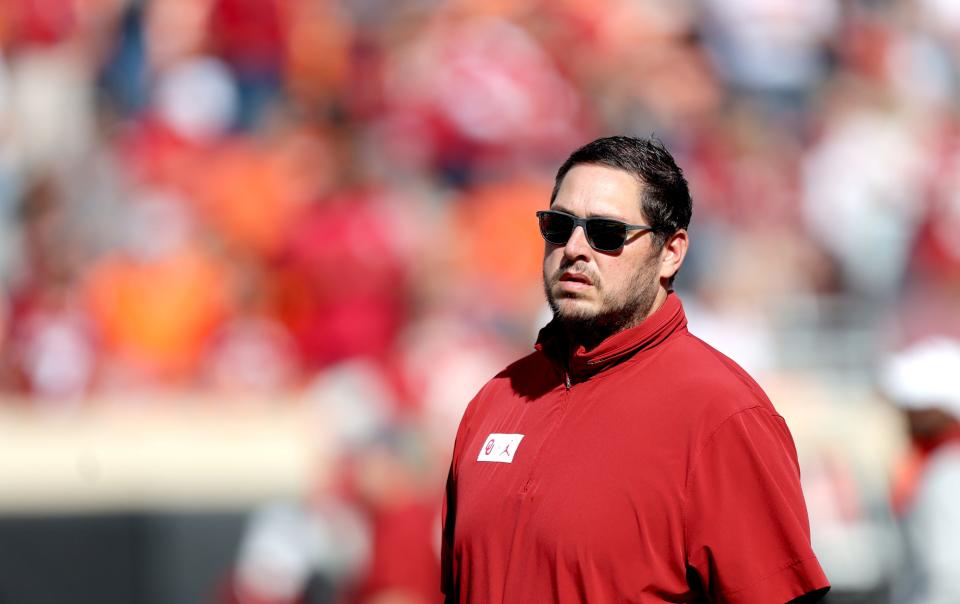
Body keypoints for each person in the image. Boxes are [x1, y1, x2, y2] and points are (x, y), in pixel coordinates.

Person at [440, 136, 830, 603]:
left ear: (671, 253)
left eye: (606, 232)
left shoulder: (723, 413)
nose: (575, 249)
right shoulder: (497, 399)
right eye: (559, 227)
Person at [883, 337, 960, 604]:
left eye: (917, 407)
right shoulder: (933, 462)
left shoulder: (947, 470)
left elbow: (948, 573)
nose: (905, 413)